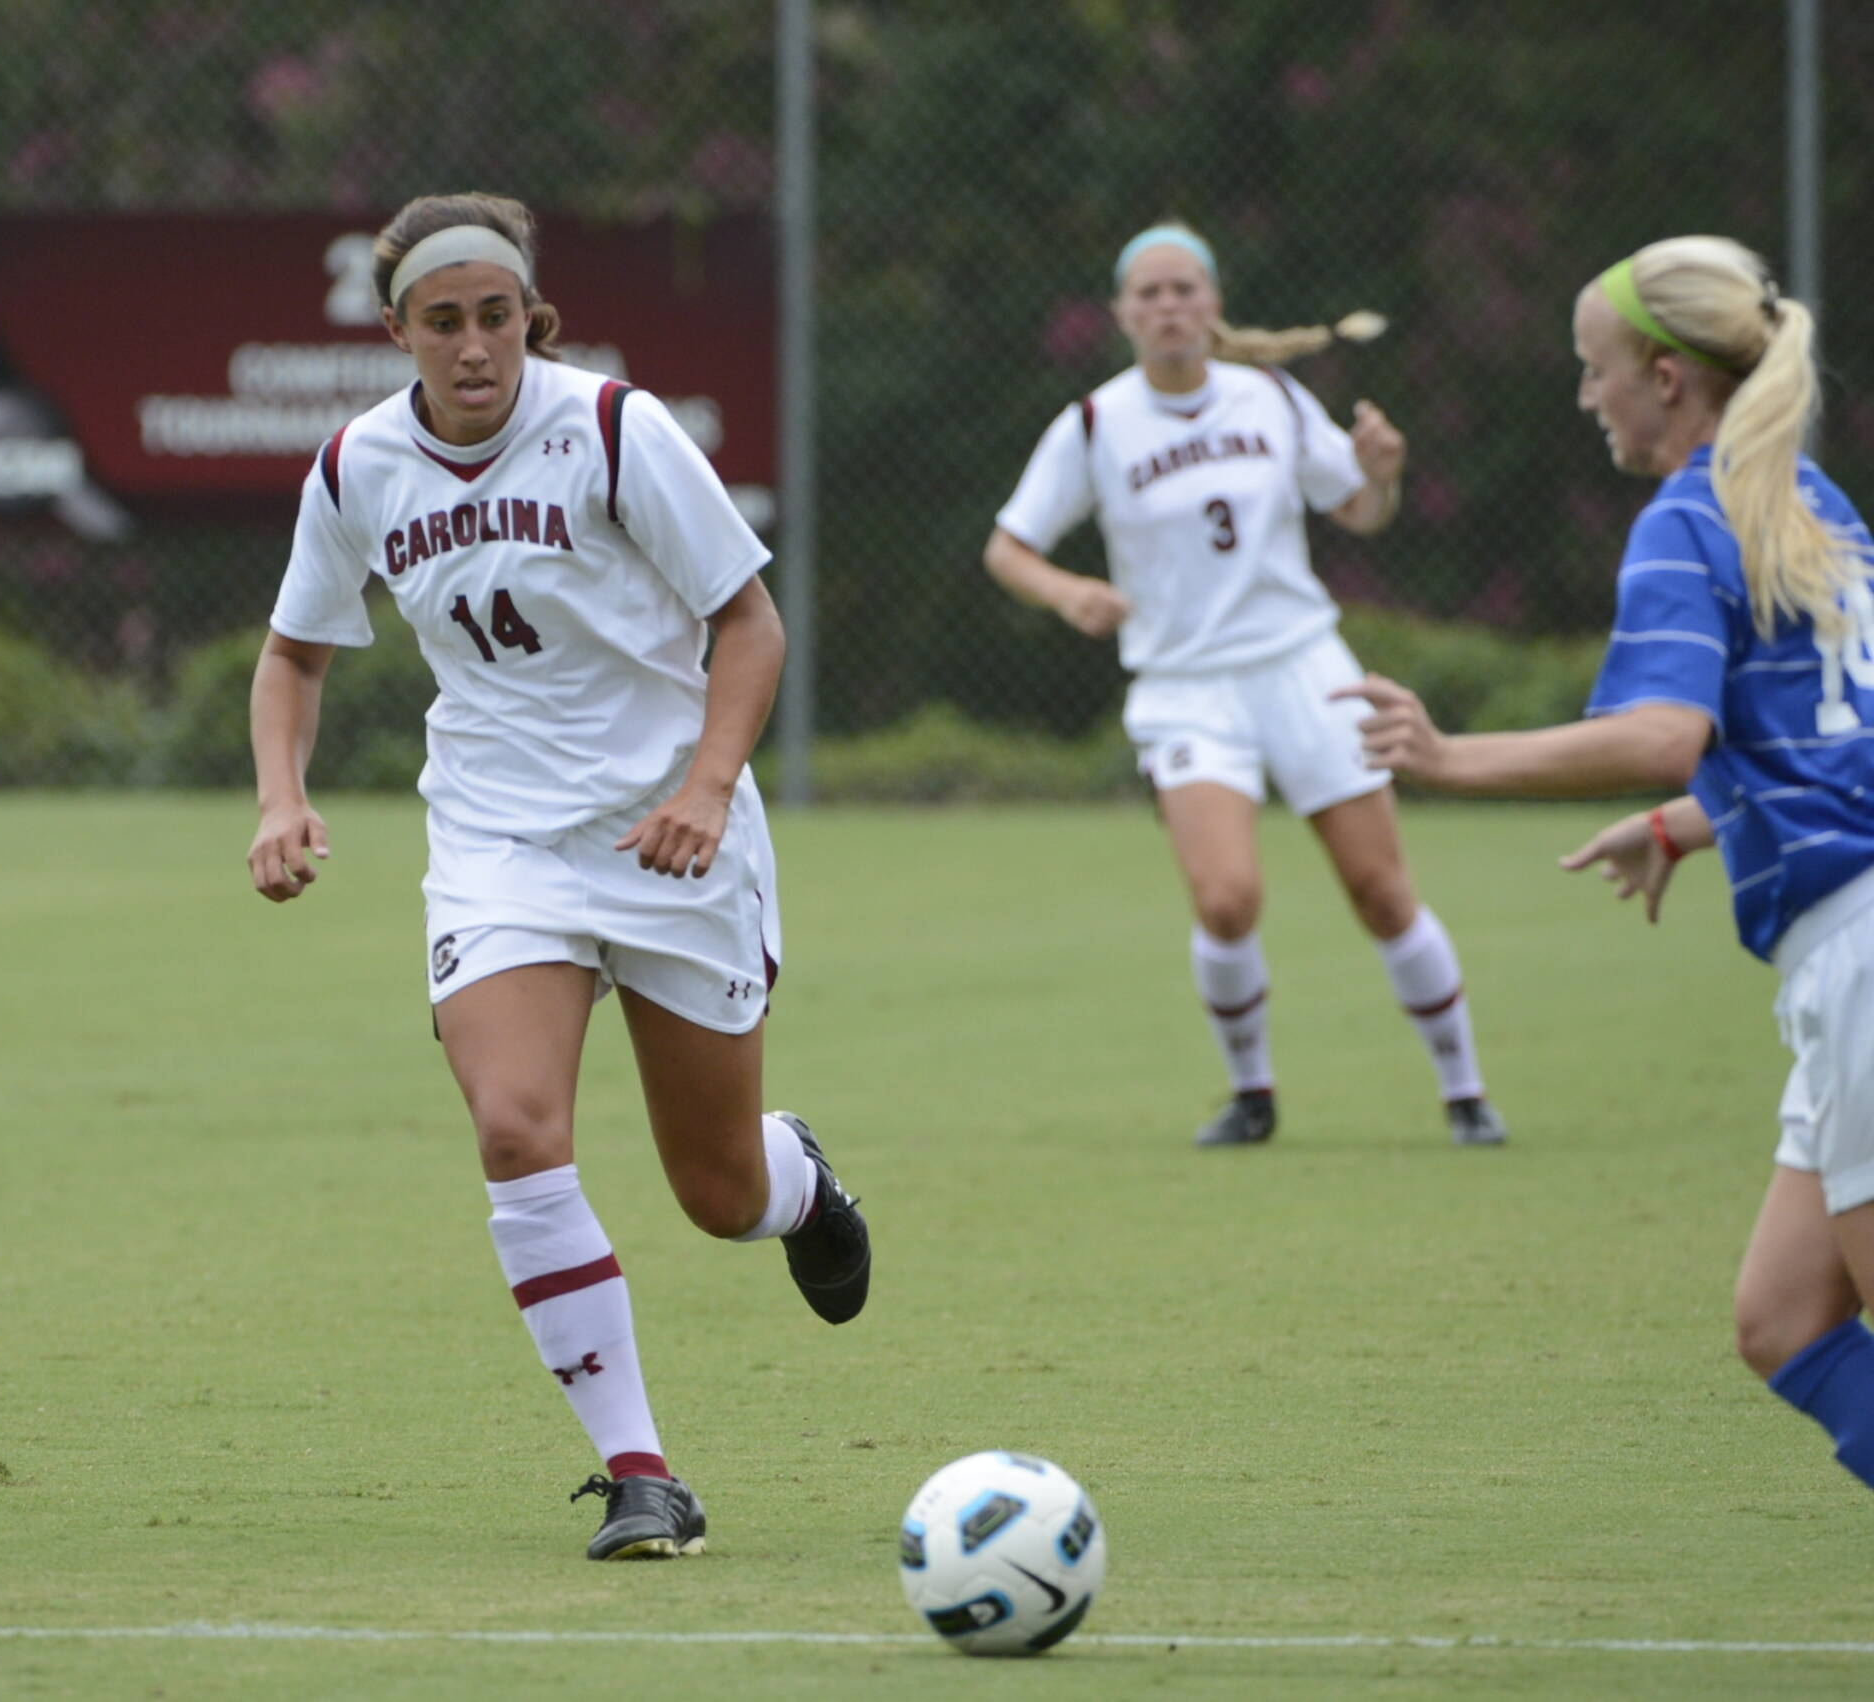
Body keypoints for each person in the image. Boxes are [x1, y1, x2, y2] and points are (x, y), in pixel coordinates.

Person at [246, 191, 871, 1559]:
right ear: (398, 328)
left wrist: (706, 788)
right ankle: (642, 1472)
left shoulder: (611, 427)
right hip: (499, 846)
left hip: (670, 835)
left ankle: (799, 1187)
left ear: (531, 319)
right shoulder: (358, 466)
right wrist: (281, 796)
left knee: (716, 1190)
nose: (473, 347)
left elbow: (749, 622)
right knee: (517, 1125)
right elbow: (296, 652)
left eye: (494, 318)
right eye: (442, 321)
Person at [1343, 235, 1874, 1491]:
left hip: (1858, 960)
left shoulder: (1690, 518)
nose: (1586, 399)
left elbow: (1663, 731)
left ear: (1667, 376)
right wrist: (1689, 824)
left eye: (1594, 372)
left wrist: (1449, 757)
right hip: (1844, 939)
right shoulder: (1811, 501)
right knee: (1784, 1317)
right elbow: (1821, 741)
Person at [981, 223, 1507, 1148]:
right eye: (1149, 293)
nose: (1169, 306)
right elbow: (1008, 547)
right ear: (1122, 314)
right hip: (1185, 688)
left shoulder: (1268, 395)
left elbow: (1360, 509)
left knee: (1381, 890)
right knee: (1225, 899)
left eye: (1185, 289)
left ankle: (1466, 1094)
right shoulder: (1097, 422)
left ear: (1215, 304)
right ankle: (1251, 1096)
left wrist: (1380, 476)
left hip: (1302, 665)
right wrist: (1069, 595)